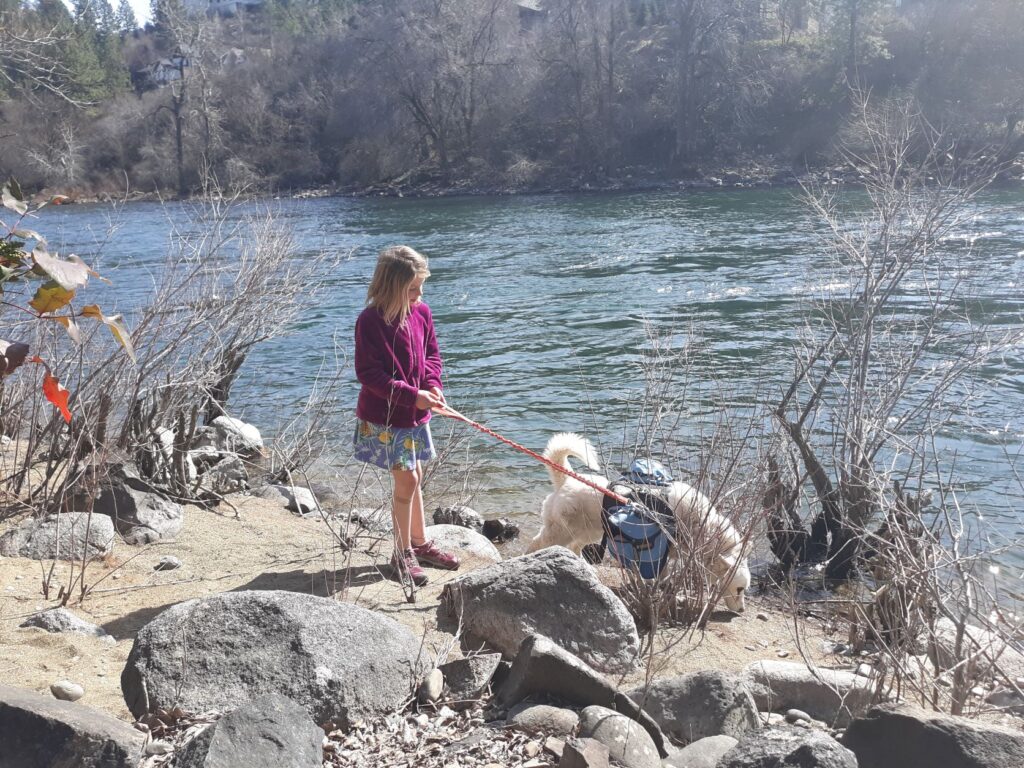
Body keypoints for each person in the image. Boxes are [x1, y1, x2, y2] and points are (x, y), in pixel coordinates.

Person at [353, 245, 461, 586]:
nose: (419, 294)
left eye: (421, 287)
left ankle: (419, 542)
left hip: (415, 414)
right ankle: (400, 555)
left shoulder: (422, 312)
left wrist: (432, 385)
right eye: (413, 289)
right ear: (391, 287)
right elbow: (369, 375)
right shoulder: (369, 321)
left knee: (414, 474)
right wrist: (412, 395)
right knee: (408, 481)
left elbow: (432, 356)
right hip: (386, 418)